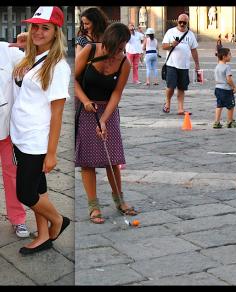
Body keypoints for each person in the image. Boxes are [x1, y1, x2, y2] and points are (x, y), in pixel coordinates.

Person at [10, 6, 71, 255]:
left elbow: (57, 113)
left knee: (25, 192)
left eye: (45, 27)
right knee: (39, 189)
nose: (38, 31)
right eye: (35, 26)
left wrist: (52, 153)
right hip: (22, 136)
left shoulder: (57, 66)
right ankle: (44, 236)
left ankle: (57, 220)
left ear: (56, 32)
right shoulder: (34, 58)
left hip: (36, 140)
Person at [75, 22, 138, 224]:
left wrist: (104, 119)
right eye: (116, 48)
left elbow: (116, 94)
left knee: (113, 157)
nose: (119, 52)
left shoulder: (124, 63)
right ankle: (93, 206)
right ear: (108, 42)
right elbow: (73, 79)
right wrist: (85, 101)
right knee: (87, 160)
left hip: (107, 109)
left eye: (122, 48)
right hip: (84, 107)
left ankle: (119, 200)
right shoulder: (90, 50)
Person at [0, 41, 30, 238]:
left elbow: (33, 66)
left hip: (6, 126)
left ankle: (18, 219)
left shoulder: (7, 50)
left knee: (12, 175)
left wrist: (33, 45)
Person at [162, 13, 200, 115]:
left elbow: (194, 50)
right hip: (171, 64)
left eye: (184, 22)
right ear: (177, 21)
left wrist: (197, 64)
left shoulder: (190, 34)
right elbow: (163, 46)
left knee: (182, 87)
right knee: (170, 86)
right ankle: (168, 103)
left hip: (184, 65)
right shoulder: (170, 32)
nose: (182, 24)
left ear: (187, 22)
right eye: (180, 22)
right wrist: (171, 44)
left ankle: (180, 108)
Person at [213, 48, 236, 129]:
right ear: (224, 57)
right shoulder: (227, 67)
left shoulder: (217, 66)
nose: (231, 56)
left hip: (218, 89)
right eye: (229, 55)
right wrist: (234, 86)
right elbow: (229, 79)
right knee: (230, 106)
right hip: (226, 90)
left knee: (219, 105)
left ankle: (216, 122)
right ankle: (230, 121)